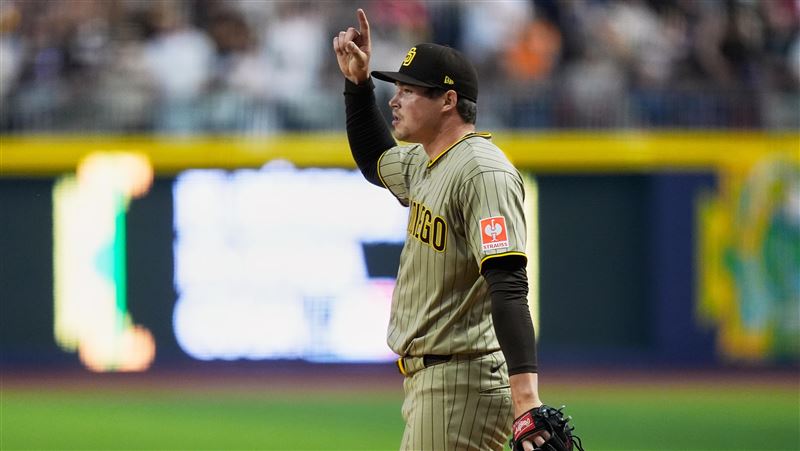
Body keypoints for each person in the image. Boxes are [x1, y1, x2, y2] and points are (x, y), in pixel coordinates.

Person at [333, 9, 574, 451]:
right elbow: (374, 160)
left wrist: (526, 399)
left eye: (408, 91)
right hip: (440, 381)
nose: (395, 100)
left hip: (463, 382)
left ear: (447, 100)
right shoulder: (427, 159)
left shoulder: (482, 172)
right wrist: (358, 84)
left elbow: (507, 283)